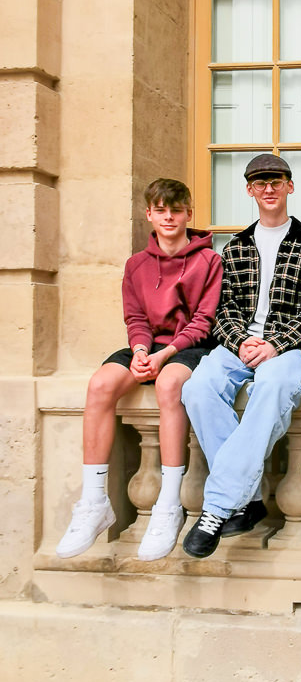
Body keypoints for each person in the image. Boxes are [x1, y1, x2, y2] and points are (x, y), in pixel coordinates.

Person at [57, 179, 223, 561]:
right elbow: (135, 317)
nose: (169, 217)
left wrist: (164, 357)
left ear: (188, 214)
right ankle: (95, 502)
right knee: (100, 385)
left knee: (168, 387)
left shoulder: (209, 260)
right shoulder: (136, 265)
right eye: (161, 210)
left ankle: (168, 505)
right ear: (149, 214)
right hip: (149, 346)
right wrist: (140, 350)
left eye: (176, 210)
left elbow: (204, 321)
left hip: (190, 346)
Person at [181, 154, 301, 558]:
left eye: (276, 181)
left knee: (273, 385)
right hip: (239, 345)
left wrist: (274, 344)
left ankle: (218, 507)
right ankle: (249, 496)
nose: (269, 188)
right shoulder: (235, 248)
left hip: (290, 347)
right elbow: (224, 311)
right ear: (249, 190)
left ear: (290, 186)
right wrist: (241, 343)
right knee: (198, 389)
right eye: (260, 183)